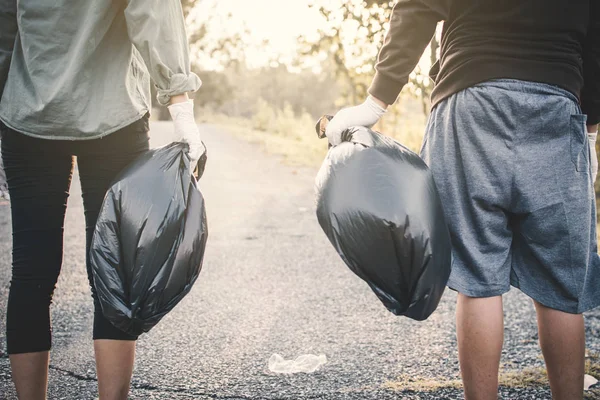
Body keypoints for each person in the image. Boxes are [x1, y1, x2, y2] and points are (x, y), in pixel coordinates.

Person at [326, 1, 600, 399]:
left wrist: (376, 102)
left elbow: (417, 6)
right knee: (559, 284)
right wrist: (590, 128)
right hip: (557, 104)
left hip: (470, 100)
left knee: (477, 276)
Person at [0, 0, 205, 399]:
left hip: (28, 115)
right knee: (115, 269)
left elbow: (5, 25)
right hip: (113, 113)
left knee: (31, 271)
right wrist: (182, 112)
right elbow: (153, 12)